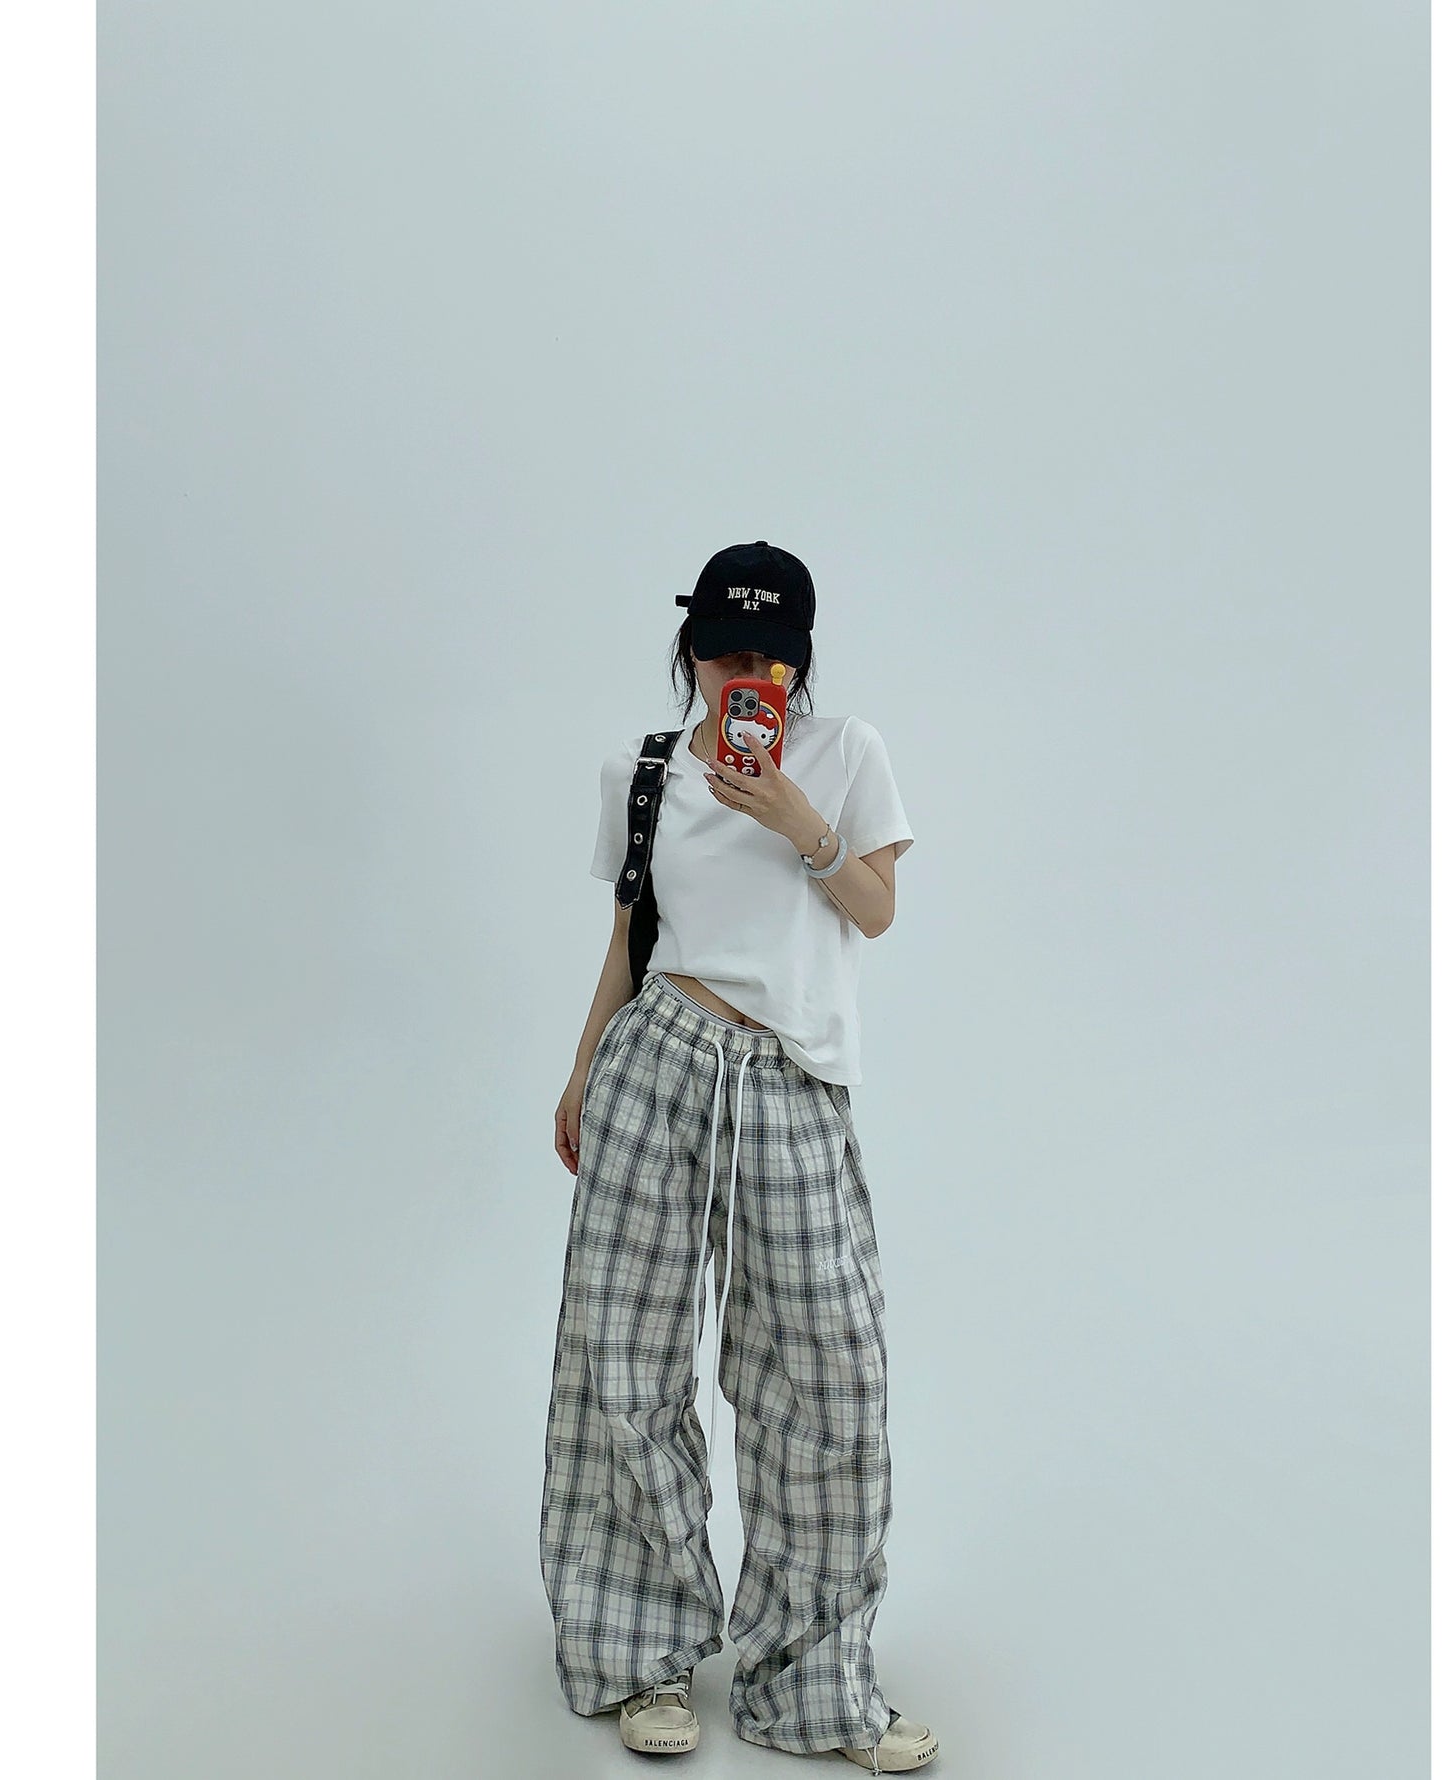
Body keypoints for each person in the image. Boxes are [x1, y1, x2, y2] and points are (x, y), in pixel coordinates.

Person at [539, 541, 939, 1773]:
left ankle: (809, 1682)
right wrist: (582, 1066)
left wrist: (795, 819)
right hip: (656, 1060)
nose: (743, 674)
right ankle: (639, 1652)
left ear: (799, 663)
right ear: (692, 650)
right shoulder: (644, 774)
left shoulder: (846, 753)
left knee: (828, 1377)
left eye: (767, 656)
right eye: (723, 652)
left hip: (791, 1082)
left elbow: (875, 909)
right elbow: (629, 938)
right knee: (624, 1361)